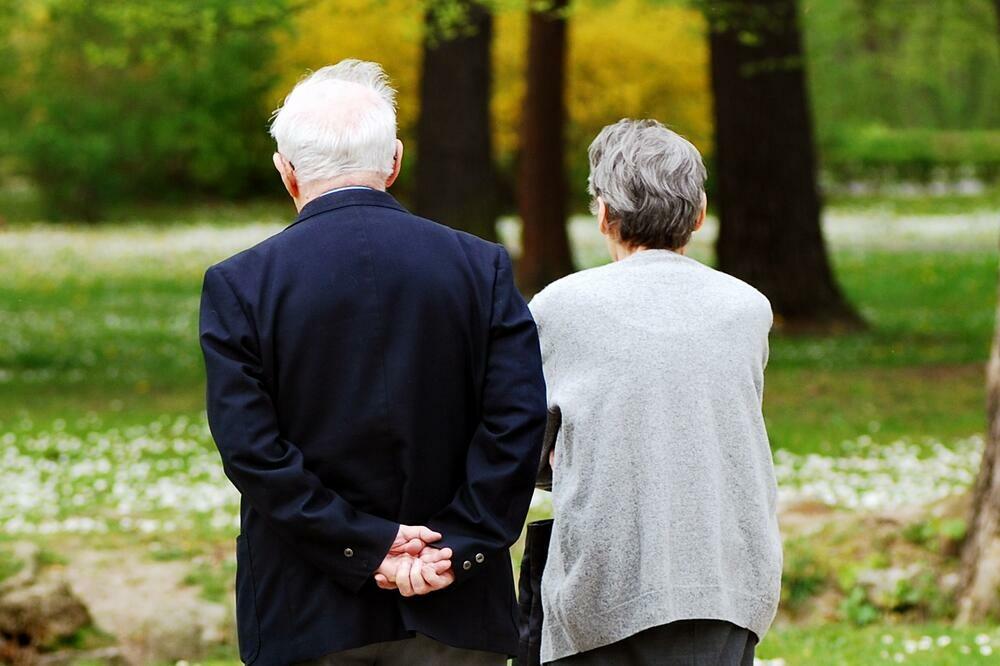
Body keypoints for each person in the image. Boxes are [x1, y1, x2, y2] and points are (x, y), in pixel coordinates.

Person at [199, 59, 547, 666]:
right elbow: (516, 425)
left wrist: (370, 547)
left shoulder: (241, 284)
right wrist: (455, 549)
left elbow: (253, 450)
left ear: (287, 172)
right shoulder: (480, 267)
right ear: (394, 161)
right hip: (455, 611)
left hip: (306, 611)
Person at [529, 119, 782, 665]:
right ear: (699, 212)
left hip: (603, 586)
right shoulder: (748, 307)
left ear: (603, 213)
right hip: (728, 581)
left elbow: (532, 449)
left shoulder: (559, 307)